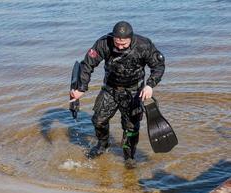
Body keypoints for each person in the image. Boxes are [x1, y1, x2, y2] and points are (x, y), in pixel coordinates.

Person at [70, 21, 165, 168]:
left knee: (131, 127)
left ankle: (129, 157)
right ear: (113, 37)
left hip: (134, 92)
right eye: (117, 43)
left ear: (131, 38)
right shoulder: (104, 43)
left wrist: (150, 85)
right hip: (110, 89)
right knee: (98, 120)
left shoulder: (144, 45)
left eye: (124, 44)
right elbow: (87, 65)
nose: (120, 47)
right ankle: (103, 144)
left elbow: (158, 66)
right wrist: (81, 88)